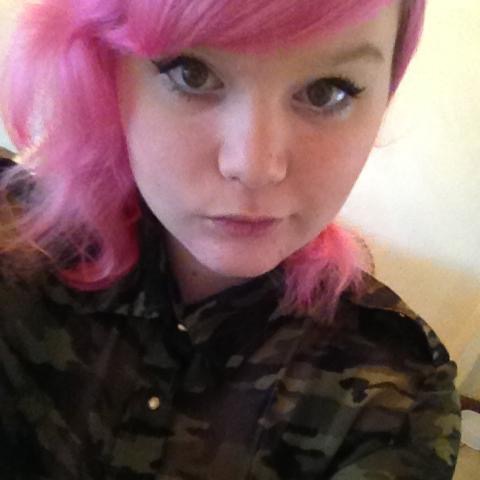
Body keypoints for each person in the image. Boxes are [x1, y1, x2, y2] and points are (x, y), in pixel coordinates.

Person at [0, 0, 461, 478]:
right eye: (192, 74)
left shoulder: (397, 398)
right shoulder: (15, 255)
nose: (254, 167)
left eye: (327, 91)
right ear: (108, 72)